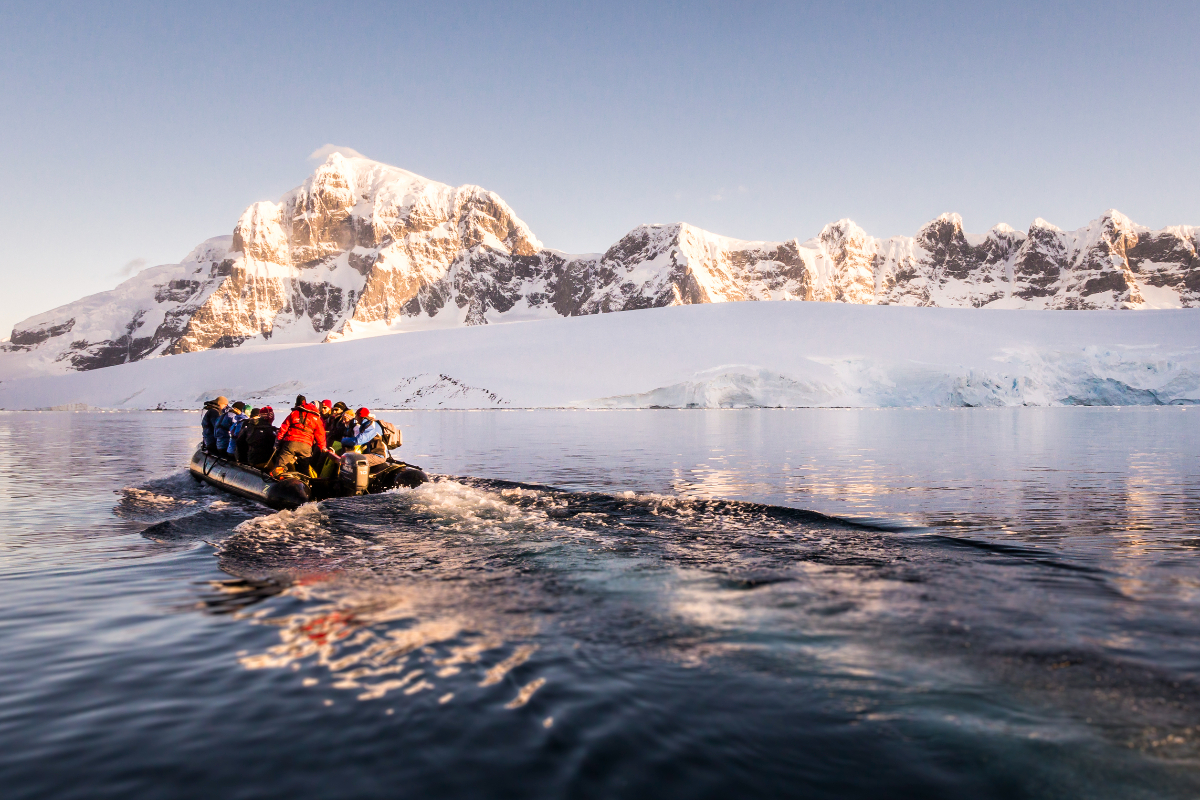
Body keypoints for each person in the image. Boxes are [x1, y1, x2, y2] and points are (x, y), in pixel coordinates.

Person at [267, 395, 327, 477]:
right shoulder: (316, 419)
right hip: (306, 446)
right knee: (304, 468)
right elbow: (321, 435)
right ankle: (304, 481)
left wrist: (278, 441)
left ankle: (278, 477)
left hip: (291, 443)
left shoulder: (295, 413)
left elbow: (284, 428)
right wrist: (322, 447)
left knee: (281, 464)